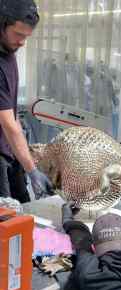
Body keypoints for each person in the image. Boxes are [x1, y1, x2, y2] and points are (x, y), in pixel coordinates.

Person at [0, 0, 53, 202]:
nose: (22, 42)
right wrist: (32, 171)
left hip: (8, 148)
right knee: (7, 219)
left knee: (24, 206)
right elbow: (7, 123)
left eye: (26, 36)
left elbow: (12, 120)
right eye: (18, 34)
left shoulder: (8, 51)